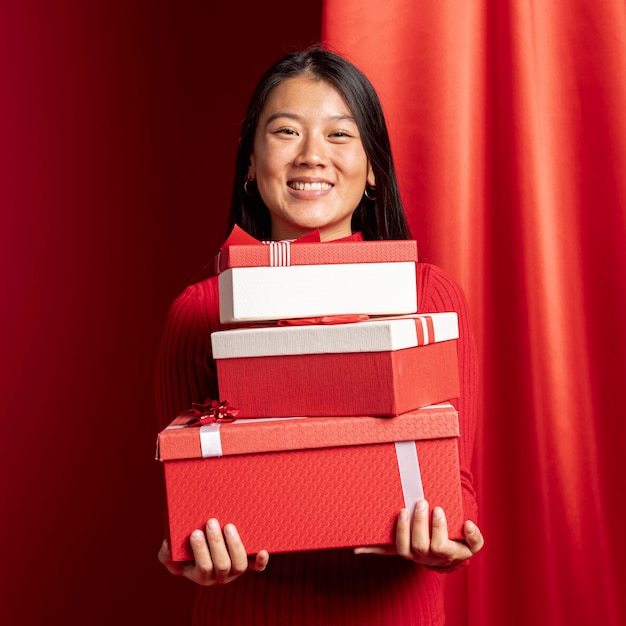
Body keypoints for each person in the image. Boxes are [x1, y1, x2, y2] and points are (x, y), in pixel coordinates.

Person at [156, 45, 484, 626]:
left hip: (392, 614)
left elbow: (456, 486)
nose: (312, 156)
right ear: (251, 164)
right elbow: (185, 492)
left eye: (340, 135)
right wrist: (192, 551)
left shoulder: (430, 298)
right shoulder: (198, 311)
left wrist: (450, 538)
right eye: (286, 131)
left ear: (374, 167)